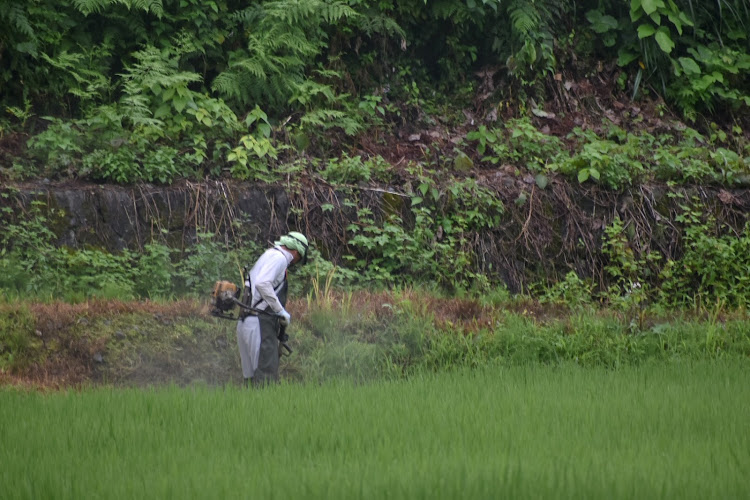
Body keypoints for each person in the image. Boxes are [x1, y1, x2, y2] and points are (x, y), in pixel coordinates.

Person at [236, 231, 308, 387]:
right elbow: (262, 283)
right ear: (296, 252)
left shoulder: (267, 255)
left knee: (250, 380)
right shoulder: (280, 258)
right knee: (265, 380)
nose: (295, 262)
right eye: (299, 258)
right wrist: (280, 310)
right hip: (259, 324)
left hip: (245, 322)